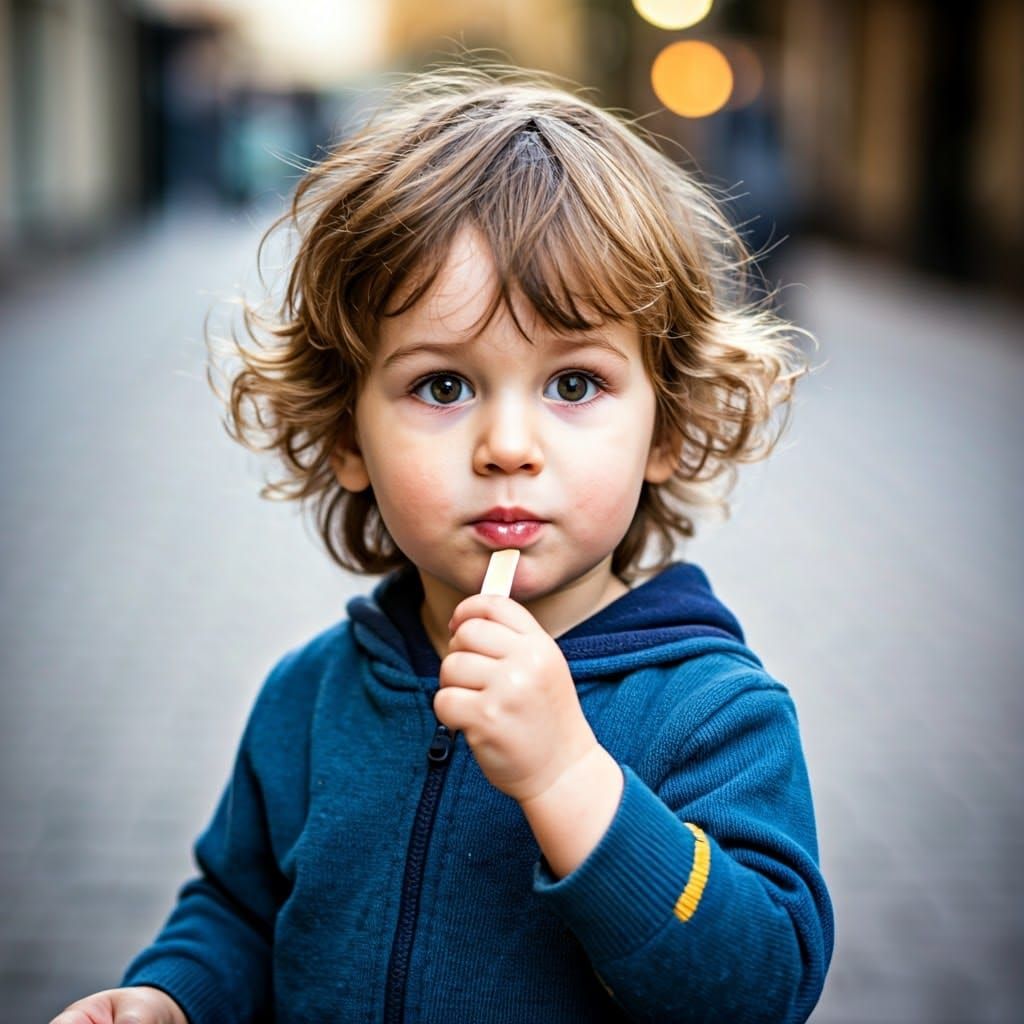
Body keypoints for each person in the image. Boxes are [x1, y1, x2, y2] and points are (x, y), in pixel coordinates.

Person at [51, 64, 833, 1024]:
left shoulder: (714, 714)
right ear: (346, 435)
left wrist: (567, 779)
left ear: (665, 428)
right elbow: (240, 912)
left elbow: (760, 988)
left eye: (575, 384)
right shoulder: (312, 697)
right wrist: (173, 997)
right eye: (443, 387)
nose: (508, 447)